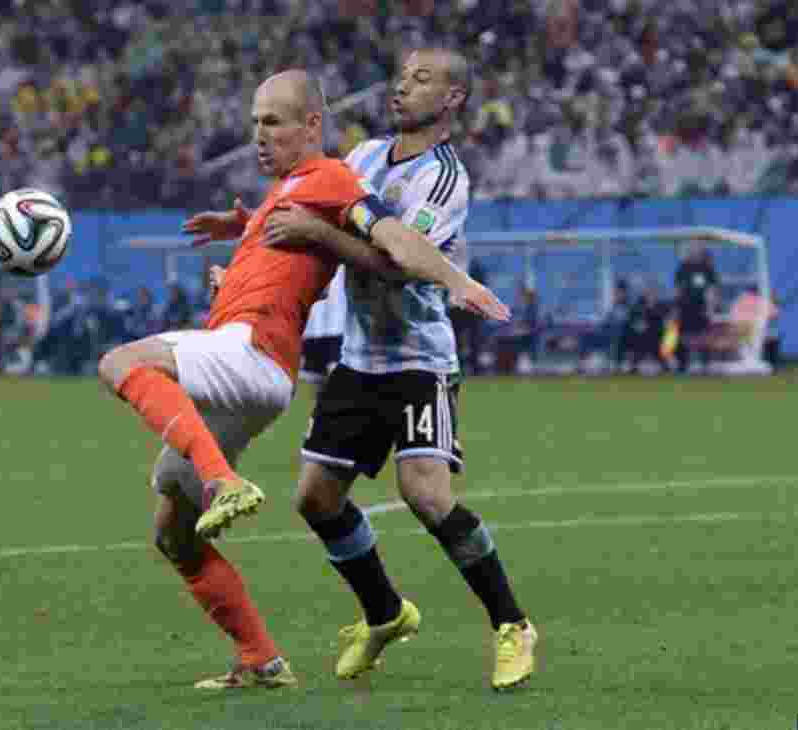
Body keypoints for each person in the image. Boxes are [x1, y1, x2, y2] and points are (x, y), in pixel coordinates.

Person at [97, 69, 506, 690]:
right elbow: (295, 248)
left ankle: (224, 481)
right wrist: (243, 232)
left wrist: (456, 280)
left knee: (121, 363)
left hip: (254, 354)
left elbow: (394, 239)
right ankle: (261, 660)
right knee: (175, 533)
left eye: (274, 122)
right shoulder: (292, 189)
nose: (259, 136)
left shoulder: (332, 178)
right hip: (251, 360)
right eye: (255, 124)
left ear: (312, 124)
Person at [262, 49, 535, 691]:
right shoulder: (362, 159)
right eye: (402, 75)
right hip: (361, 357)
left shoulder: (443, 179)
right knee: (315, 497)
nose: (402, 86)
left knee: (427, 494)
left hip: (418, 358)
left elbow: (398, 262)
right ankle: (385, 614)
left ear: (454, 98)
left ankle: (512, 624)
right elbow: (314, 220)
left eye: (421, 79)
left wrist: (319, 235)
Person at [673, 244, 719, 372]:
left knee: (704, 336)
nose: (694, 252)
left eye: (696, 250)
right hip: (685, 308)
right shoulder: (683, 268)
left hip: (702, 308)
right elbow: (678, 288)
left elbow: (712, 289)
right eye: (691, 250)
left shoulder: (707, 269)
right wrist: (676, 307)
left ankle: (706, 364)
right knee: (682, 336)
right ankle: (682, 364)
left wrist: (711, 308)